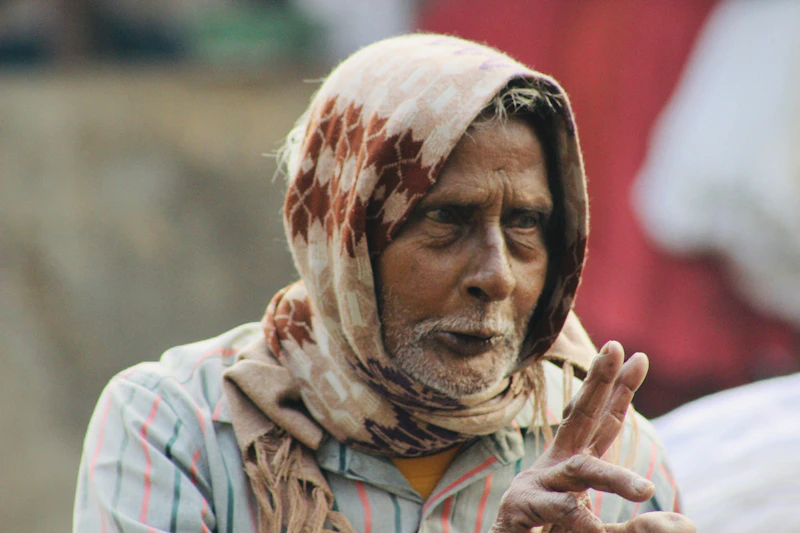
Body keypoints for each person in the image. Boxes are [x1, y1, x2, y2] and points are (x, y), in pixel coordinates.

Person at [73, 34, 693, 533]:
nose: (496, 276)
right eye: (446, 219)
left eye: (526, 223)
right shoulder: (178, 428)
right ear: (340, 235)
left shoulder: (613, 461)